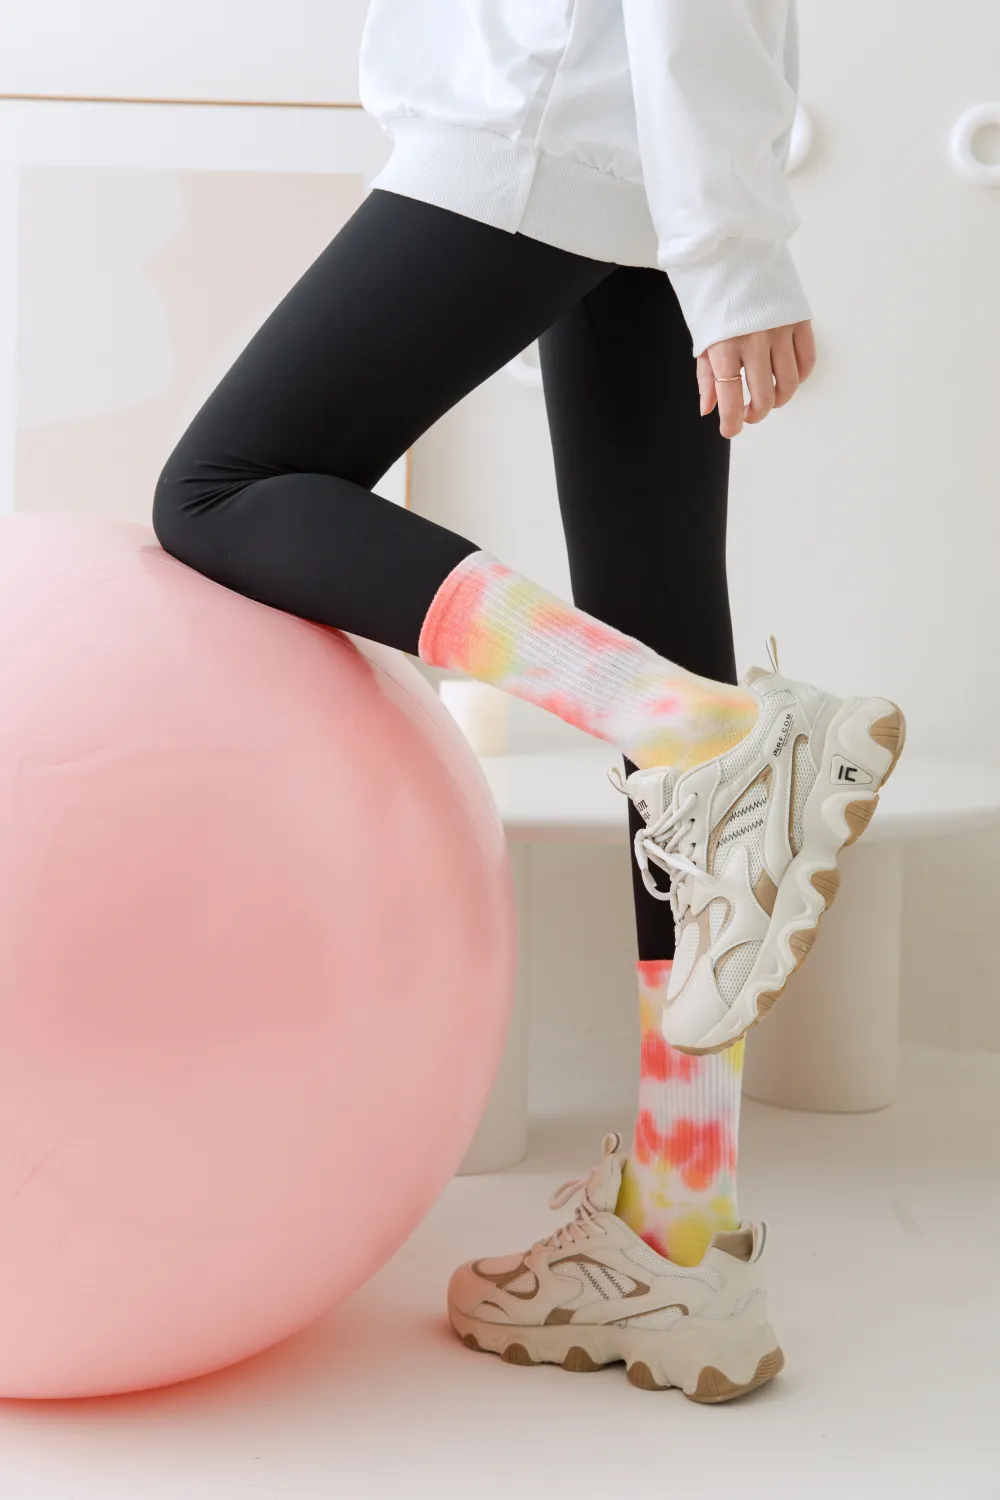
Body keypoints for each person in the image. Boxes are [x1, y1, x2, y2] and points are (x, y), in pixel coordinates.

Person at [153, 0, 904, 1400]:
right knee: (661, 616)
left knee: (222, 488)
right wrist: (719, 223)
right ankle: (682, 1245)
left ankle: (709, 735)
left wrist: (739, 250)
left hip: (542, 115)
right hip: (628, 135)